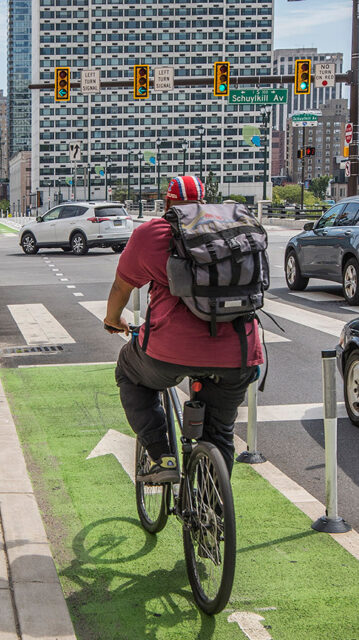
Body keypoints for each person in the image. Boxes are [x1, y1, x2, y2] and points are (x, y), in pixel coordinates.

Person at [103, 176, 263, 482]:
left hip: (169, 352)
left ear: (166, 204)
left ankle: (161, 455)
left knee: (128, 370)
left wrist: (114, 320)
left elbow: (121, 287)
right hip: (240, 353)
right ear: (204, 203)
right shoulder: (233, 230)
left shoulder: (153, 233)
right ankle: (213, 515)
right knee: (220, 433)